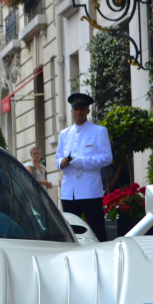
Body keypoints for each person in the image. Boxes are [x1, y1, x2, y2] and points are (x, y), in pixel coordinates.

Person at [56, 93, 113, 241]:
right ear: (71, 111)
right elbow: (57, 158)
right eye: (75, 108)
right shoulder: (64, 133)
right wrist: (61, 163)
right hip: (69, 191)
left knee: (97, 230)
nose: (78, 112)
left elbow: (107, 157)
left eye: (82, 108)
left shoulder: (98, 131)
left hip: (89, 190)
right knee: (71, 232)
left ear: (88, 111)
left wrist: (82, 161)